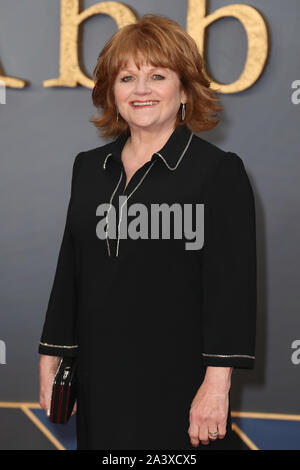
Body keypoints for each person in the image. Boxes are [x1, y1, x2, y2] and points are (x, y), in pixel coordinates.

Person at [39, 14, 257, 450]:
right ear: (111, 92)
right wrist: (51, 357)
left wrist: (216, 387)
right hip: (99, 379)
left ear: (183, 88)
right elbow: (71, 271)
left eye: (157, 75)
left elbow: (231, 289)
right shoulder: (89, 169)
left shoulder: (217, 172)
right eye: (127, 78)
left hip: (180, 384)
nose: (141, 90)